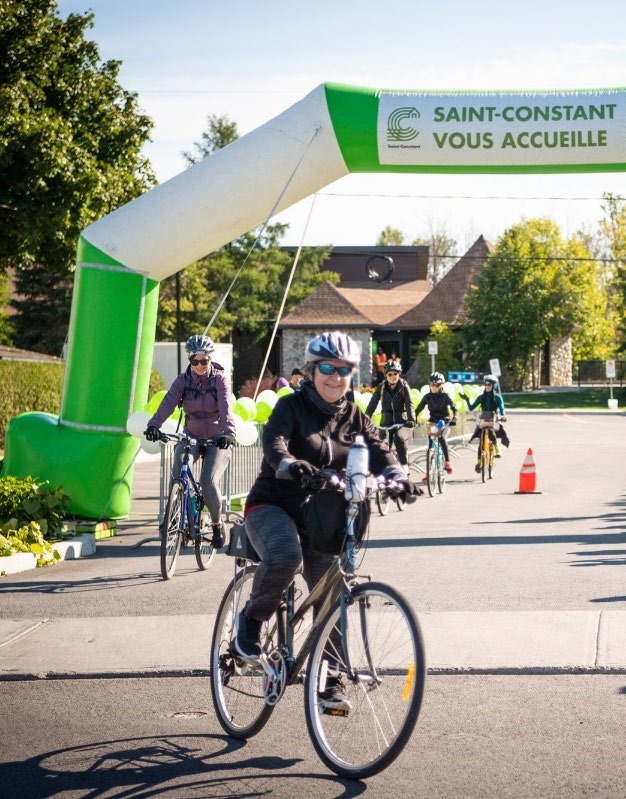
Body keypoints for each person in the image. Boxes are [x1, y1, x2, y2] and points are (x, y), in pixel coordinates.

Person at [234, 331, 421, 710]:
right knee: (287, 557)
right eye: (326, 368)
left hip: (321, 519)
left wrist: (398, 477)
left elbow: (381, 450)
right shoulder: (290, 406)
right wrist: (289, 463)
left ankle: (328, 680)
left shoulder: (354, 415)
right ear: (311, 369)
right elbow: (274, 443)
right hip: (273, 506)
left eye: (344, 370)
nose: (335, 377)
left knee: (333, 593)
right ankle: (250, 623)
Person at [145, 334, 236, 547]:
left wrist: (228, 433)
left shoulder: (220, 379)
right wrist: (153, 425)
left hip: (216, 438)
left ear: (210, 360)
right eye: (195, 361)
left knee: (208, 480)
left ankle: (216, 523)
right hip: (192, 436)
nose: (200, 365)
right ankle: (175, 518)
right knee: (178, 472)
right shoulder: (183, 381)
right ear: (190, 360)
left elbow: (226, 407)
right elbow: (167, 403)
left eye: (204, 361)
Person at [364, 359, 416, 476]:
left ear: (399, 374)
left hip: (402, 424)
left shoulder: (403, 387)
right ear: (386, 376)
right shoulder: (381, 388)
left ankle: (404, 465)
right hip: (386, 423)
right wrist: (366, 418)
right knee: (380, 445)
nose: (393, 377)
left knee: (398, 438)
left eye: (395, 374)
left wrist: (411, 419)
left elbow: (409, 404)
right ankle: (381, 472)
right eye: (390, 374)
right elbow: (372, 404)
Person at [461, 375, 509, 473]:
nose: (487, 386)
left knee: (490, 429)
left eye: (489, 384)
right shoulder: (481, 397)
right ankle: (479, 461)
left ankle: (496, 447)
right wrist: (466, 399)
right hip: (483, 417)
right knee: (481, 439)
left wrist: (503, 416)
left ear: (494, 386)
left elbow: (502, 408)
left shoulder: (497, 397)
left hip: (493, 416)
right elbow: (471, 408)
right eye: (485, 384)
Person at [415, 372, 458, 477]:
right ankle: (429, 473)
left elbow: (454, 409)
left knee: (441, 438)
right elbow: (418, 409)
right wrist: (412, 418)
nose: (434, 387)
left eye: (437, 385)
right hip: (433, 421)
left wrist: (455, 418)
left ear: (441, 386)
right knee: (430, 447)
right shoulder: (427, 397)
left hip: (444, 421)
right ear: (429, 385)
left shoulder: (445, 396)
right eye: (432, 385)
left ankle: (447, 462)